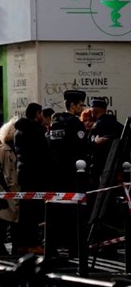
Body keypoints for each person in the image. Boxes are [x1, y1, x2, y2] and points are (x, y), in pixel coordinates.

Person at [47, 90, 88, 256]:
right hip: (73, 174)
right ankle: (74, 246)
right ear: (72, 105)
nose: (82, 108)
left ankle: (56, 245)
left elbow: (52, 146)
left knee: (57, 210)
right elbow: (82, 148)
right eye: (80, 104)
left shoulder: (56, 123)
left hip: (57, 174)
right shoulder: (75, 123)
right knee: (74, 212)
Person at [12, 103, 50, 255]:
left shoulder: (19, 131)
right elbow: (42, 155)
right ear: (37, 114)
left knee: (25, 212)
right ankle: (33, 244)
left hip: (24, 174)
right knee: (34, 213)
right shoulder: (35, 132)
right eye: (41, 113)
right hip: (36, 175)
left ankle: (23, 244)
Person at [0, 116, 20, 256]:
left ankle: (14, 246)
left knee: (15, 219)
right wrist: (3, 186)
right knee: (4, 218)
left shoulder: (17, 148)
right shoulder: (3, 149)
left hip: (16, 189)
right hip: (7, 188)